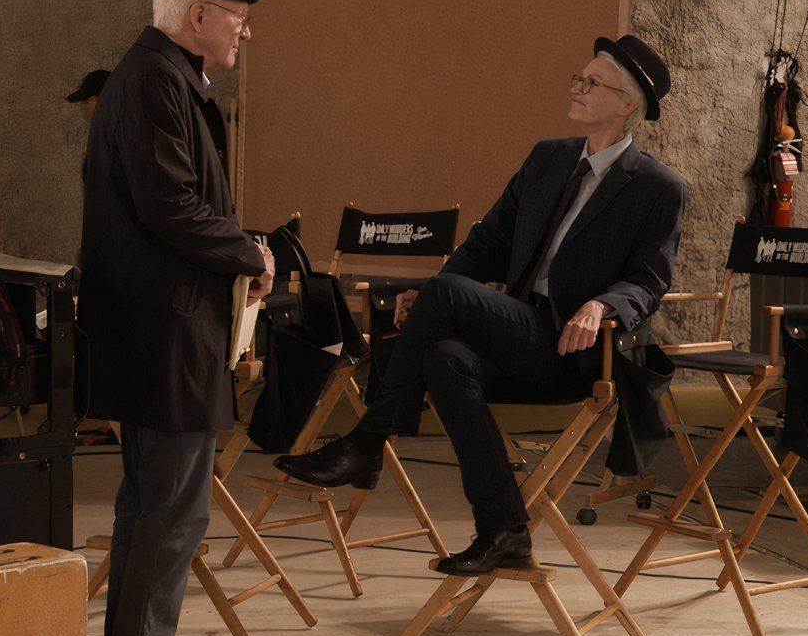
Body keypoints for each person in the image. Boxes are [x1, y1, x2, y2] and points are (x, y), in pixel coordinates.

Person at [275, 34, 685, 577]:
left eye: (592, 83)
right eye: (578, 79)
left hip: (576, 349)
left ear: (627, 104)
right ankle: (503, 531)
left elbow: (650, 280)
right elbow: (489, 241)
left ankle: (367, 442)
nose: (578, 88)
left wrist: (603, 306)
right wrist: (430, 298)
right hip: (521, 334)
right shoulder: (548, 158)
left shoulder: (658, 187)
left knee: (442, 296)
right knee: (445, 356)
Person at [77, 0, 271, 636]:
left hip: (157, 331)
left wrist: (242, 245)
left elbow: (175, 204)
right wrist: (249, 251)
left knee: (152, 509)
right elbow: (171, 207)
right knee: (174, 515)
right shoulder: (155, 81)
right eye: (239, 17)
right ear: (197, 14)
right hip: (165, 335)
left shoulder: (160, 78)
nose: (246, 32)